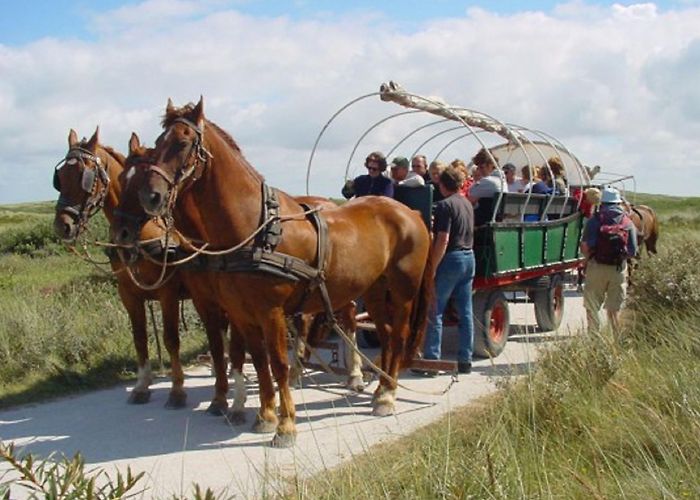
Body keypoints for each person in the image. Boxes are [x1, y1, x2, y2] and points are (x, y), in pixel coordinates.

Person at [418, 165, 475, 375]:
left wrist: (432, 267)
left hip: (451, 259)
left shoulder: (444, 206)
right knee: (465, 312)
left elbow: (443, 239)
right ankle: (465, 359)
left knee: (435, 309)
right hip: (469, 257)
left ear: (442, 185)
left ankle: (432, 360)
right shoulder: (467, 204)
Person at [580, 185, 638, 334]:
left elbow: (585, 246)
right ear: (618, 203)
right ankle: (616, 344)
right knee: (614, 311)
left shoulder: (594, 220)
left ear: (602, 202)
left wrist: (587, 260)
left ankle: (594, 340)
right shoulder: (627, 222)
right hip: (618, 269)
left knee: (592, 308)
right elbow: (632, 251)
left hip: (596, 267)